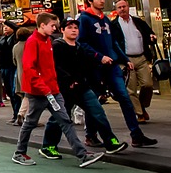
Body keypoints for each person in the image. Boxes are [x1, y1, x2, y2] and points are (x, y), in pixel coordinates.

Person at [12, 13, 105, 168]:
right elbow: (30, 68)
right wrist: (45, 89)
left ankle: (82, 155)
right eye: (52, 25)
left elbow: (48, 67)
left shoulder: (48, 41)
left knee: (65, 121)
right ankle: (19, 152)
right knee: (30, 123)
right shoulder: (33, 42)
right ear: (42, 25)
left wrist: (53, 88)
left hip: (52, 91)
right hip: (39, 92)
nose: (55, 28)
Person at [78, 0, 157, 147]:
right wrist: (99, 57)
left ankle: (136, 134)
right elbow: (82, 43)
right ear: (90, 1)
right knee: (95, 101)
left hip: (112, 65)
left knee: (125, 98)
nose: (102, 1)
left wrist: (124, 58)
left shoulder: (106, 19)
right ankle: (90, 135)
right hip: (95, 67)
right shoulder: (84, 19)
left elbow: (113, 42)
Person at [39, 19, 127, 159]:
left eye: (75, 28)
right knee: (59, 118)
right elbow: (55, 67)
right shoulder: (57, 46)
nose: (74, 30)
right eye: (70, 28)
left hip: (82, 87)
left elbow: (87, 67)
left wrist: (97, 82)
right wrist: (68, 80)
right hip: (64, 89)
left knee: (97, 111)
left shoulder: (80, 47)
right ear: (62, 30)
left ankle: (110, 141)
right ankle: (48, 146)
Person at [110, 0, 158, 123]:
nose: (122, 9)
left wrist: (152, 37)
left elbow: (149, 34)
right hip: (126, 59)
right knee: (130, 89)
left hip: (141, 57)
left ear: (128, 7)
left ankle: (142, 105)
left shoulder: (138, 22)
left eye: (124, 6)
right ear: (116, 10)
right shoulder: (114, 25)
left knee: (148, 85)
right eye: (119, 7)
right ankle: (140, 113)